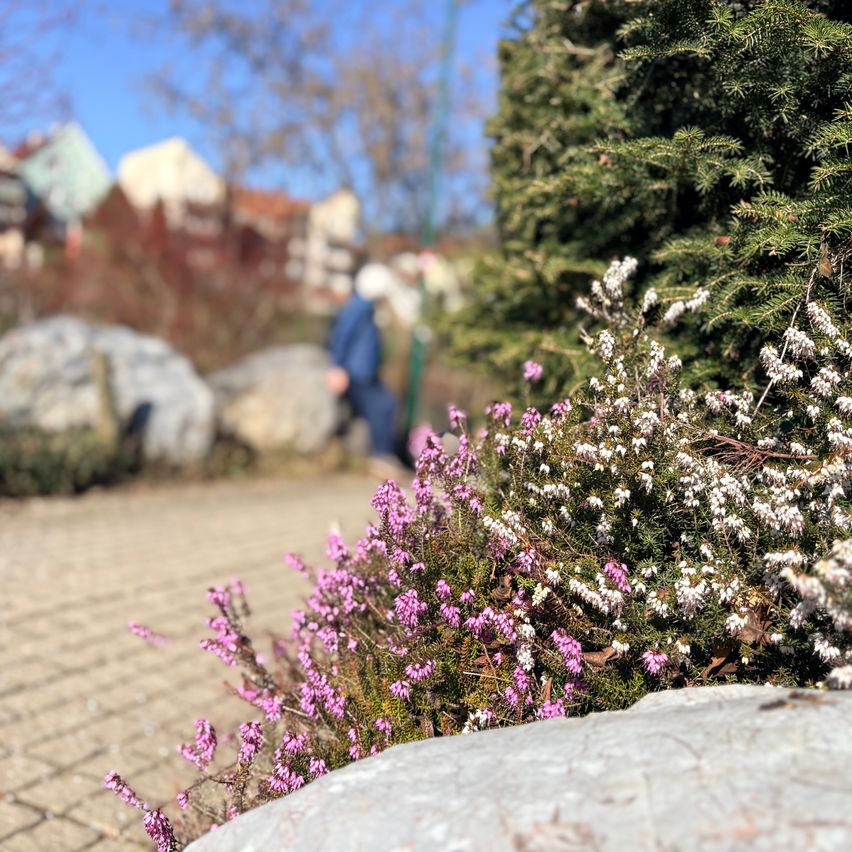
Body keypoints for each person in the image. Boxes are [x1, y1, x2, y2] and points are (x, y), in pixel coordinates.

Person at [327, 263, 404, 475]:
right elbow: (342, 336)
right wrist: (337, 368)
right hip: (357, 372)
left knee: (385, 406)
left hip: (364, 371)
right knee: (382, 407)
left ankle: (383, 455)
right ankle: (381, 456)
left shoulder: (365, 307)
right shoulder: (359, 307)